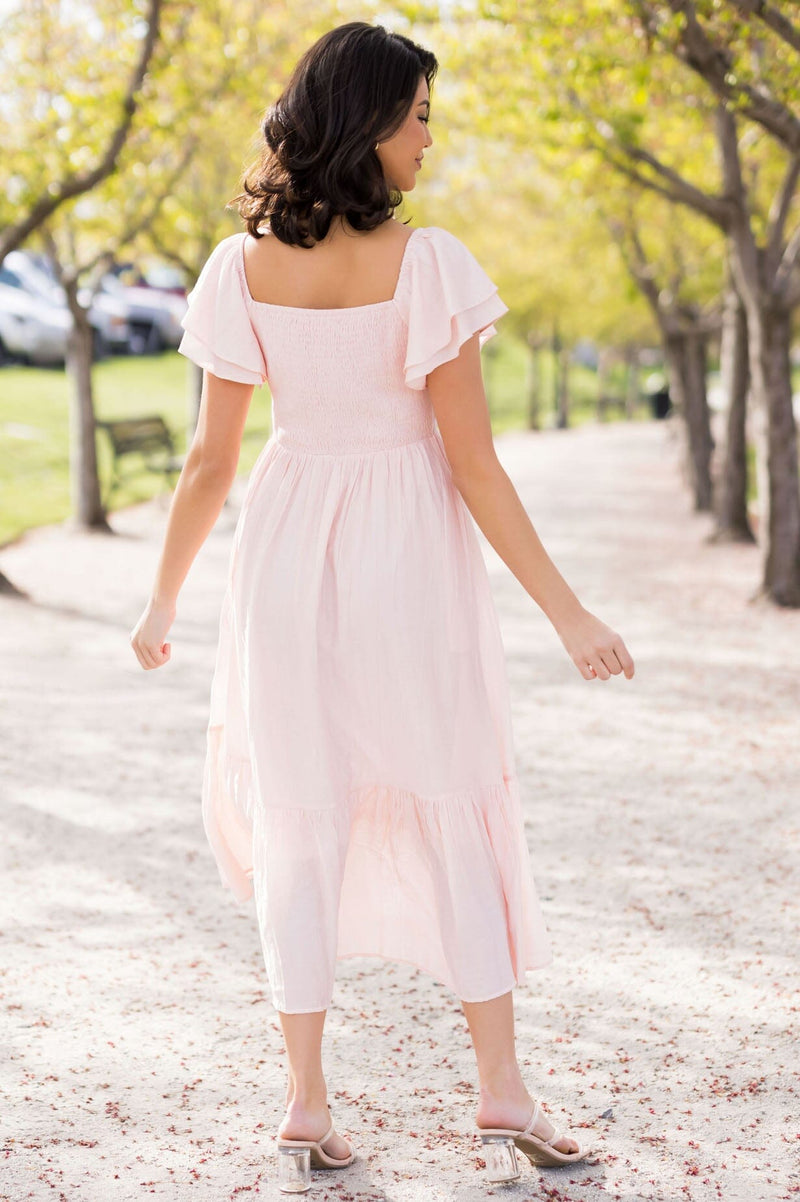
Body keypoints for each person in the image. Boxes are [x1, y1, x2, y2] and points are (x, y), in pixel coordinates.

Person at [130, 20, 634, 1185]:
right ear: (365, 125)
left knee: (300, 810)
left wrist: (162, 603)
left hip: (286, 544)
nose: (426, 140)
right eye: (416, 118)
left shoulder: (239, 267)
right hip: (403, 549)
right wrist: (568, 614)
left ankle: (306, 1099)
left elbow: (211, 463)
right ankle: (499, 1085)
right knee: (449, 784)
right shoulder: (427, 263)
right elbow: (472, 463)